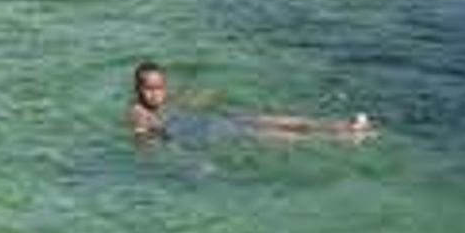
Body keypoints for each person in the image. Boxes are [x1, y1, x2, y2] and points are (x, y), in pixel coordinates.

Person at [127, 62, 375, 144]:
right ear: (138, 90)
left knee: (277, 119)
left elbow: (189, 100)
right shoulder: (139, 112)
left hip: (221, 116)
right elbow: (144, 138)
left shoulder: (167, 100)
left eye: (159, 87)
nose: (155, 94)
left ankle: (344, 125)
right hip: (213, 129)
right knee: (271, 135)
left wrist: (205, 97)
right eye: (148, 88)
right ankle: (343, 137)